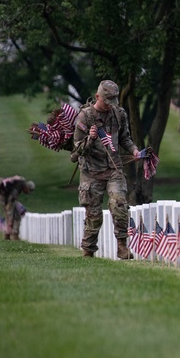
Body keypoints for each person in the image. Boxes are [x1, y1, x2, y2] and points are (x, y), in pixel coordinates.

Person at [70, 79, 145, 259]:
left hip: (114, 169)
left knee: (119, 204)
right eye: (106, 101)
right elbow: (77, 150)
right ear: (98, 97)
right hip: (91, 172)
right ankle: (88, 249)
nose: (110, 105)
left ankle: (122, 247)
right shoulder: (84, 117)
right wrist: (90, 138)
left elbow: (124, 138)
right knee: (94, 214)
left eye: (113, 101)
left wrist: (134, 150)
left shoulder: (119, 114)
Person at [0, 175, 34, 240]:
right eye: (28, 191)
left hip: (1, 196)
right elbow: (11, 202)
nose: (26, 192)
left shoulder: (18, 183)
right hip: (4, 198)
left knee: (8, 214)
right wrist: (10, 220)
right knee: (15, 216)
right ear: (27, 187)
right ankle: (14, 235)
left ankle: (7, 234)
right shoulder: (18, 186)